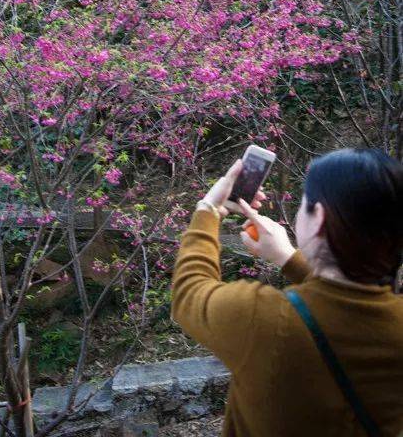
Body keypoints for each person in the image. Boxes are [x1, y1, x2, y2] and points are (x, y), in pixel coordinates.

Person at [171, 148, 403, 436]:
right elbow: (345, 305)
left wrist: (208, 209)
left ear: (318, 217)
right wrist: (287, 257)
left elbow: (188, 292)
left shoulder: (266, 320)